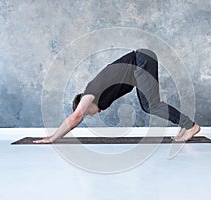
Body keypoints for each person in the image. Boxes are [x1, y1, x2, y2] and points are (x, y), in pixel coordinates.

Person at [34, 49, 200, 144]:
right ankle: (185, 126)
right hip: (139, 66)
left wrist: (53, 138)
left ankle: (190, 126)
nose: (91, 114)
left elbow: (75, 117)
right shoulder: (101, 97)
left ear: (83, 101)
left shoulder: (90, 92)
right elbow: (78, 118)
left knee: (151, 105)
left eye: (87, 113)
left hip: (141, 61)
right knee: (148, 105)